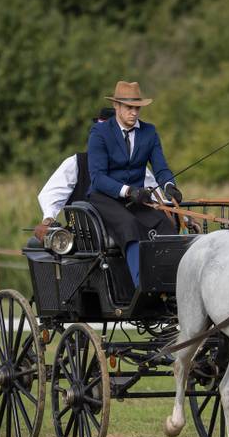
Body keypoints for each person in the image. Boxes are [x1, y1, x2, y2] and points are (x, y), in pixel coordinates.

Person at [87, 81, 183, 286]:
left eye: (137, 108)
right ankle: (142, 285)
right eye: (129, 108)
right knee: (129, 225)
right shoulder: (100, 133)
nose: (134, 113)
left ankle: (171, 282)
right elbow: (98, 177)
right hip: (105, 198)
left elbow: (161, 168)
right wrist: (128, 191)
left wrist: (169, 187)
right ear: (117, 107)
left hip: (137, 198)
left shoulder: (149, 132)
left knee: (166, 224)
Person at [32, 108, 162, 242]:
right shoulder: (76, 163)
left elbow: (156, 198)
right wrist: (49, 219)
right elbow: (52, 194)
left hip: (128, 232)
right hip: (86, 239)